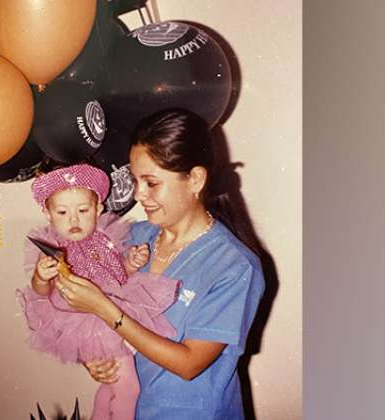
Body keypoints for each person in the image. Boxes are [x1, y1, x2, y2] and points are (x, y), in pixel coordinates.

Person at [53, 109, 266, 419]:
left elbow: (189, 363)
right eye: (136, 180)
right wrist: (97, 359)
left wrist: (103, 308)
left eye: (151, 183)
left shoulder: (234, 267)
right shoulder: (133, 238)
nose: (139, 194)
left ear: (194, 179)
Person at [17, 163, 180, 420]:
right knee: (129, 387)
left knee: (111, 384)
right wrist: (40, 276)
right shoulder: (54, 249)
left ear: (98, 209)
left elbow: (115, 275)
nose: (73, 220)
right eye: (62, 212)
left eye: (83, 210)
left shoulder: (105, 238)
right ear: (47, 213)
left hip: (113, 311)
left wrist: (131, 263)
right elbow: (41, 292)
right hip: (88, 322)